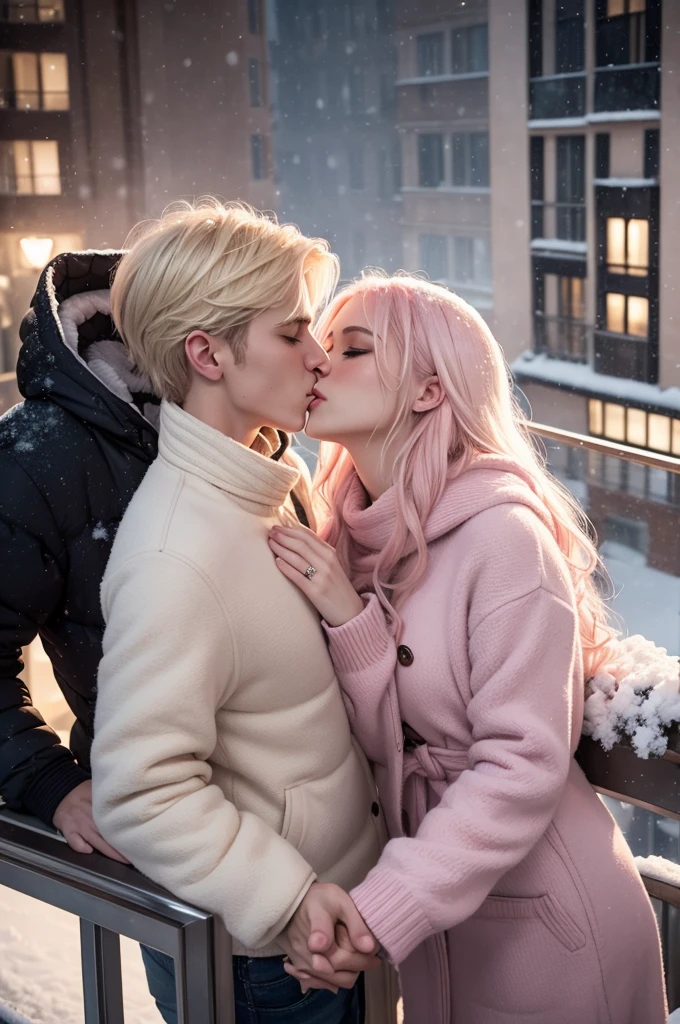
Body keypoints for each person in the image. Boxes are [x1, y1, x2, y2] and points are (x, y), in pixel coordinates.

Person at [268, 272, 668, 1024]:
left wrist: (383, 908)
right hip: (444, 927)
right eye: (319, 346)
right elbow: (380, 739)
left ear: (427, 391)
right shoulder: (346, 539)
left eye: (352, 348)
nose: (320, 363)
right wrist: (348, 617)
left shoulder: (503, 539)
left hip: (551, 928)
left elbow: (520, 763)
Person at [90, 201, 395, 1024]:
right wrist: (289, 899)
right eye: (293, 335)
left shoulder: (266, 487)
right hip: (270, 966)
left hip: (331, 925)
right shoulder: (173, 556)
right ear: (208, 354)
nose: (319, 357)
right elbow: (139, 790)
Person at [0, 249, 160, 861]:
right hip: (171, 863)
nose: (316, 357)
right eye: (287, 329)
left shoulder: (257, 443)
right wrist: (45, 778)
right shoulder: (41, 449)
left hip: (309, 852)